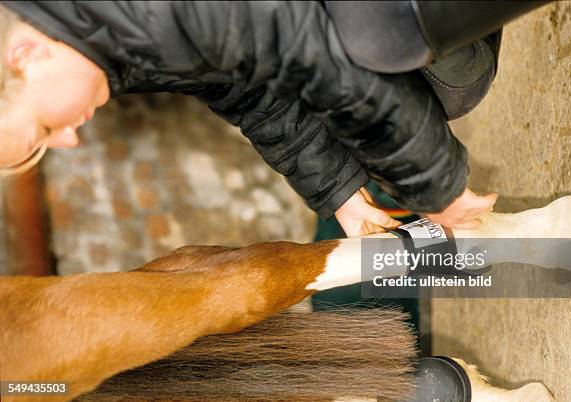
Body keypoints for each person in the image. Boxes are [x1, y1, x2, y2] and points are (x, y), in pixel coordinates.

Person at [0, 1, 501, 237]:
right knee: (434, 91)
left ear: (25, 55)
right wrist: (339, 192)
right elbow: (240, 84)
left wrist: (436, 186)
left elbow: (319, 58)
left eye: (43, 129)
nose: (68, 138)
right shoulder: (98, 38)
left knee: (441, 80)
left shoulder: (145, 13)